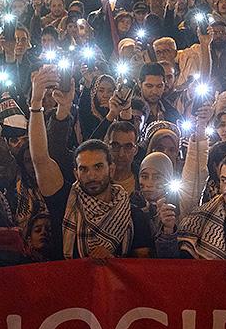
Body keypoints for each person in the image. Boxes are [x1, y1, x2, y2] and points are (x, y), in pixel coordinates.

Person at [28, 67, 153, 259]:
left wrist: (114, 264)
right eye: (84, 169)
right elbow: (40, 158)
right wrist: (36, 103)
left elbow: (142, 267)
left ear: (111, 168)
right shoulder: (65, 202)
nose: (91, 175)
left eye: (98, 167)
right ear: (75, 173)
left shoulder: (134, 215)